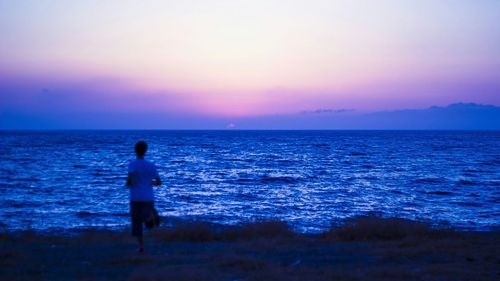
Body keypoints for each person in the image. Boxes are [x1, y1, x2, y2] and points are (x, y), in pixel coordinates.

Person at [126, 140, 161, 253]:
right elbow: (159, 182)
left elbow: (130, 179)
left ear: (135, 151)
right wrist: (150, 183)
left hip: (135, 197)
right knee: (146, 216)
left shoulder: (132, 164)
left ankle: (141, 247)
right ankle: (151, 216)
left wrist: (128, 183)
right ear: (146, 151)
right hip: (148, 197)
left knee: (136, 223)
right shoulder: (151, 165)